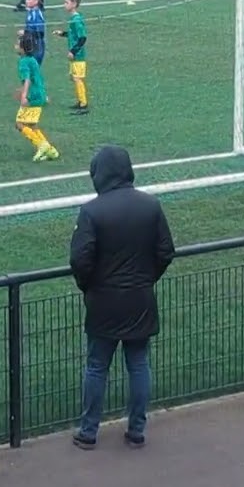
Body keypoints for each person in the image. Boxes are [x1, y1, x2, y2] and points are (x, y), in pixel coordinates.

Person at [68, 145, 175, 450]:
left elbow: (80, 260)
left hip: (103, 301)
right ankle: (137, 430)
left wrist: (89, 286)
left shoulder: (92, 211)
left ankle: (89, 432)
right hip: (140, 298)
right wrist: (145, 279)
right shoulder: (150, 206)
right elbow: (165, 251)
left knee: (97, 366)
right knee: (139, 364)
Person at [14, 32, 58, 162]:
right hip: (39, 95)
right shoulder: (32, 60)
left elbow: (27, 79)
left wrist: (24, 95)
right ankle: (51, 151)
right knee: (32, 125)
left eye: (17, 44)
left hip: (32, 97)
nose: (15, 46)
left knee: (20, 124)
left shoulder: (23, 62)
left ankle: (41, 145)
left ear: (23, 48)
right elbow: (37, 78)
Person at [53, 0, 88, 114]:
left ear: (74, 4)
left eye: (66, 2)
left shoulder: (77, 20)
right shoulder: (73, 19)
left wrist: (73, 51)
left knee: (77, 78)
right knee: (74, 78)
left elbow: (82, 38)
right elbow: (73, 35)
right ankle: (81, 101)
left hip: (78, 56)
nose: (64, 5)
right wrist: (62, 33)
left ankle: (83, 104)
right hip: (76, 56)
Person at [19, 0, 46, 64]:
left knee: (33, 70)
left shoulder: (37, 15)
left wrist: (25, 32)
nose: (26, 1)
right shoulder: (30, 12)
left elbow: (40, 33)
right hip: (29, 44)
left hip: (37, 46)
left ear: (36, 1)